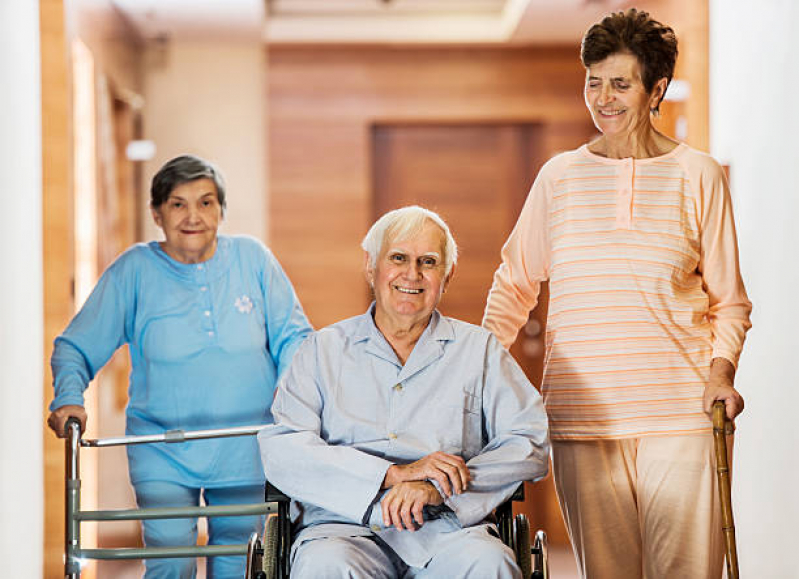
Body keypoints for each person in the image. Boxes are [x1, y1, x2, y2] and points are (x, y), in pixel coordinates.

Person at [483, 9, 752, 578]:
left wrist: (721, 371)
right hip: (583, 422)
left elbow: (729, 301)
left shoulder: (699, 175)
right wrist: (479, 372)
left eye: (620, 84)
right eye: (593, 81)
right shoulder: (558, 179)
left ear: (656, 89)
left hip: (679, 416)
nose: (603, 98)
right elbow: (514, 284)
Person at [47, 155, 313, 578]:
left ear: (221, 211)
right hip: (162, 449)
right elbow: (75, 346)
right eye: (178, 204)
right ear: (157, 213)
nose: (194, 217)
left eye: (206, 203)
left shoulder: (253, 260)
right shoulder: (134, 272)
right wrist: (68, 398)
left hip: (245, 444)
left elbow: (295, 340)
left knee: (239, 561)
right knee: (171, 559)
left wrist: (296, 399)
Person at [258, 206, 549, 578]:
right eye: (398, 258)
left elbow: (530, 441)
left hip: (448, 530)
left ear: (448, 274)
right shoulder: (322, 350)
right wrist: (391, 475)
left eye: (428, 261)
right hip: (343, 529)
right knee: (325, 567)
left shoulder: (479, 351)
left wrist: (435, 488)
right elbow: (283, 450)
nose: (412, 274)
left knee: (489, 563)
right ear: (371, 266)